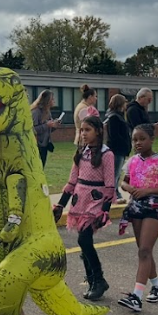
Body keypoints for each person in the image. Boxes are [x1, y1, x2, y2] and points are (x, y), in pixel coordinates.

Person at [117, 124, 158, 312]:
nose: (138, 143)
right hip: (135, 208)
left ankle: (136, 296)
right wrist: (129, 189)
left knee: (144, 250)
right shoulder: (132, 161)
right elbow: (124, 182)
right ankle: (157, 286)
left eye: (142, 139)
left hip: (155, 208)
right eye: (135, 139)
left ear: (152, 139)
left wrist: (148, 190)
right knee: (144, 251)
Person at [53, 117, 115, 300]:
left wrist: (105, 210)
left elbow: (110, 185)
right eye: (82, 130)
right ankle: (93, 281)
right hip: (80, 198)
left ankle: (99, 279)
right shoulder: (81, 152)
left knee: (84, 239)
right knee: (83, 241)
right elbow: (72, 181)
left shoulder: (107, 154)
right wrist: (60, 205)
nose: (83, 134)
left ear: (98, 131)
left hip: (96, 200)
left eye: (87, 130)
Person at [103, 94, 131, 198]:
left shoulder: (118, 115)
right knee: (115, 173)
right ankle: (113, 193)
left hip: (121, 150)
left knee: (117, 173)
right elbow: (114, 135)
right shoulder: (114, 117)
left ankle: (115, 191)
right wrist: (124, 143)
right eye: (124, 102)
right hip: (117, 150)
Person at [30, 90, 60, 167]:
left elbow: (47, 130)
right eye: (52, 99)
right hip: (36, 145)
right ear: (47, 100)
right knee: (37, 167)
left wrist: (54, 125)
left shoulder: (47, 112)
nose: (54, 101)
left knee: (42, 166)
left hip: (44, 144)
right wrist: (46, 125)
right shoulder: (36, 112)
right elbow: (32, 130)